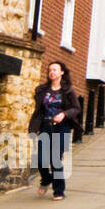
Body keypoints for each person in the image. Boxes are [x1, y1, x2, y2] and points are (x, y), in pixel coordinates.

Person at [29, 61, 81, 200]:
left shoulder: (68, 91)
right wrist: (36, 128)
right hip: (45, 127)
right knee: (40, 160)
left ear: (62, 72)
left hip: (61, 127)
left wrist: (64, 114)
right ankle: (46, 180)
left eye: (55, 70)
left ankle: (59, 191)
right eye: (50, 70)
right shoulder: (42, 90)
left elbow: (76, 108)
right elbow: (38, 111)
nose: (52, 72)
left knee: (55, 159)